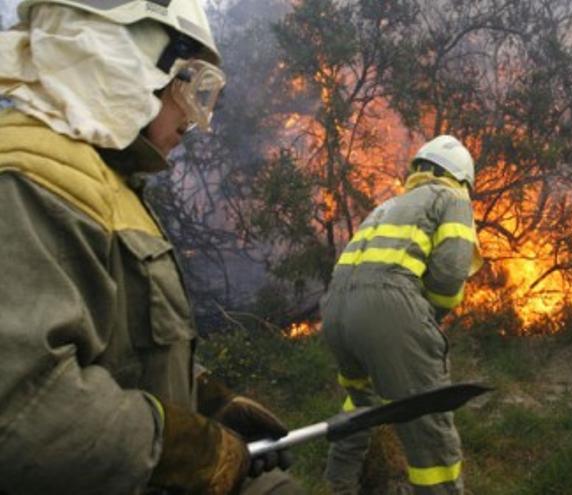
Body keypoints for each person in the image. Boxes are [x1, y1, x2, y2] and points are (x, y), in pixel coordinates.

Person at [0, 1, 298, 494]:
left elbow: (122, 346)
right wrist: (189, 450)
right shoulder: (27, 181)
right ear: (121, 61)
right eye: (190, 85)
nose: (194, 118)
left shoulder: (102, 180)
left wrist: (206, 401)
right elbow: (24, 413)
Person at [321, 135, 482, 495]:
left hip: (334, 312)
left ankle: (339, 485)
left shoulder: (386, 206)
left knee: (358, 405)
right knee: (427, 418)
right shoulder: (451, 196)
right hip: (386, 310)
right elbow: (451, 270)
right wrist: (430, 316)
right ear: (461, 177)